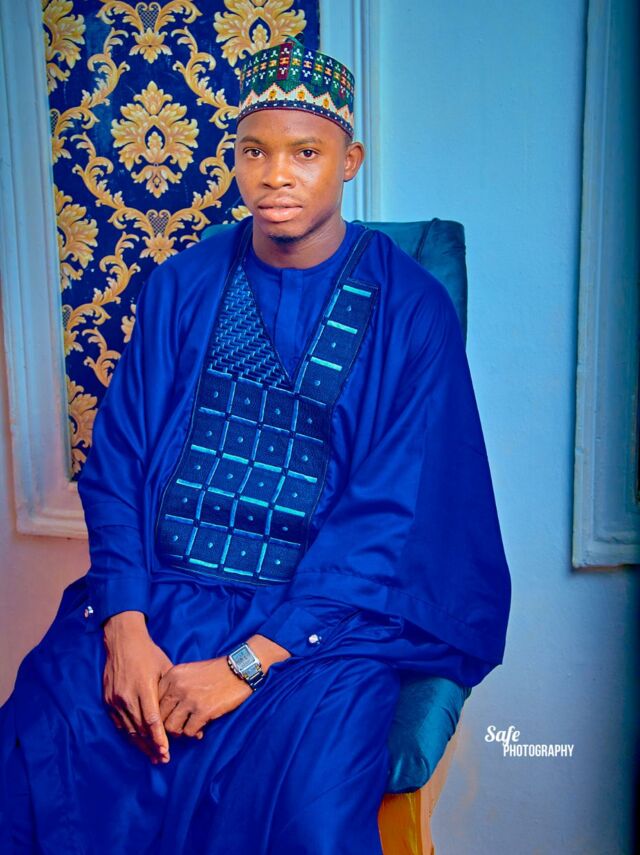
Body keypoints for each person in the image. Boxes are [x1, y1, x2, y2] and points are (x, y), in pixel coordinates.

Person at [0, 35, 511, 854]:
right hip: (160, 591)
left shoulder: (412, 310)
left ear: (349, 161)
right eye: (254, 151)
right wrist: (125, 626)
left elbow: (391, 517)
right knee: (36, 746)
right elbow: (119, 461)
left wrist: (245, 664)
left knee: (306, 812)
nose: (276, 175)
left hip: (323, 624)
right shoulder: (182, 284)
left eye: (305, 152)